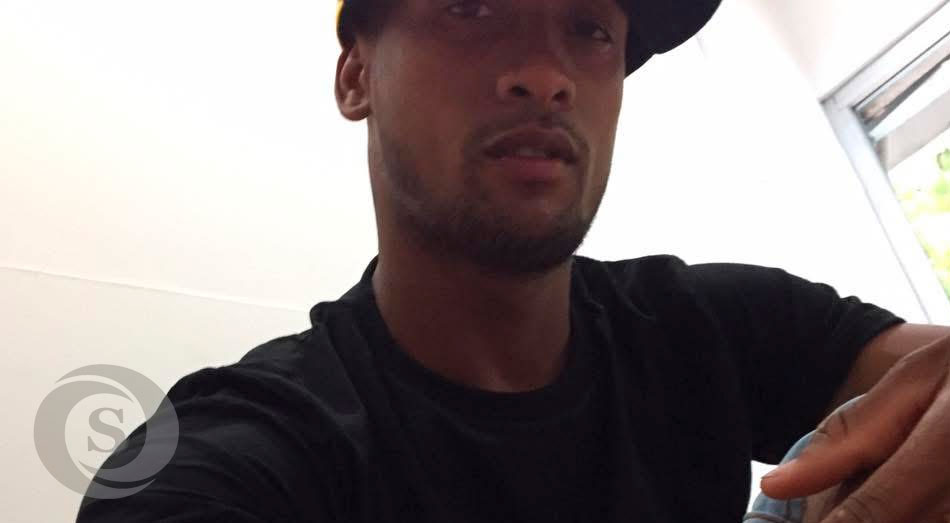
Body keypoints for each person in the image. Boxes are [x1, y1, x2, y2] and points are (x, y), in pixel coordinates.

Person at [78, 0, 950, 521]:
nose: (545, 73)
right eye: (472, 6)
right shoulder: (241, 453)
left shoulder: (715, 324)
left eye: (589, 28)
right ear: (356, 77)